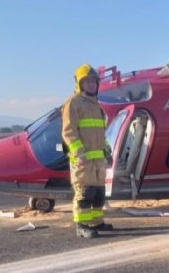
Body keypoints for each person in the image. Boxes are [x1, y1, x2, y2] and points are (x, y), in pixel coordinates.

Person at [62, 63, 113, 238]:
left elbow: (101, 132)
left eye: (93, 81)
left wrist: (107, 150)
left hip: (98, 160)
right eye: (87, 82)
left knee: (98, 193)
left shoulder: (96, 105)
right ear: (79, 83)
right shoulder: (73, 103)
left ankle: (97, 222)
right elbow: (69, 132)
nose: (91, 84)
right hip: (83, 160)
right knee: (84, 193)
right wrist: (78, 153)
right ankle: (82, 225)